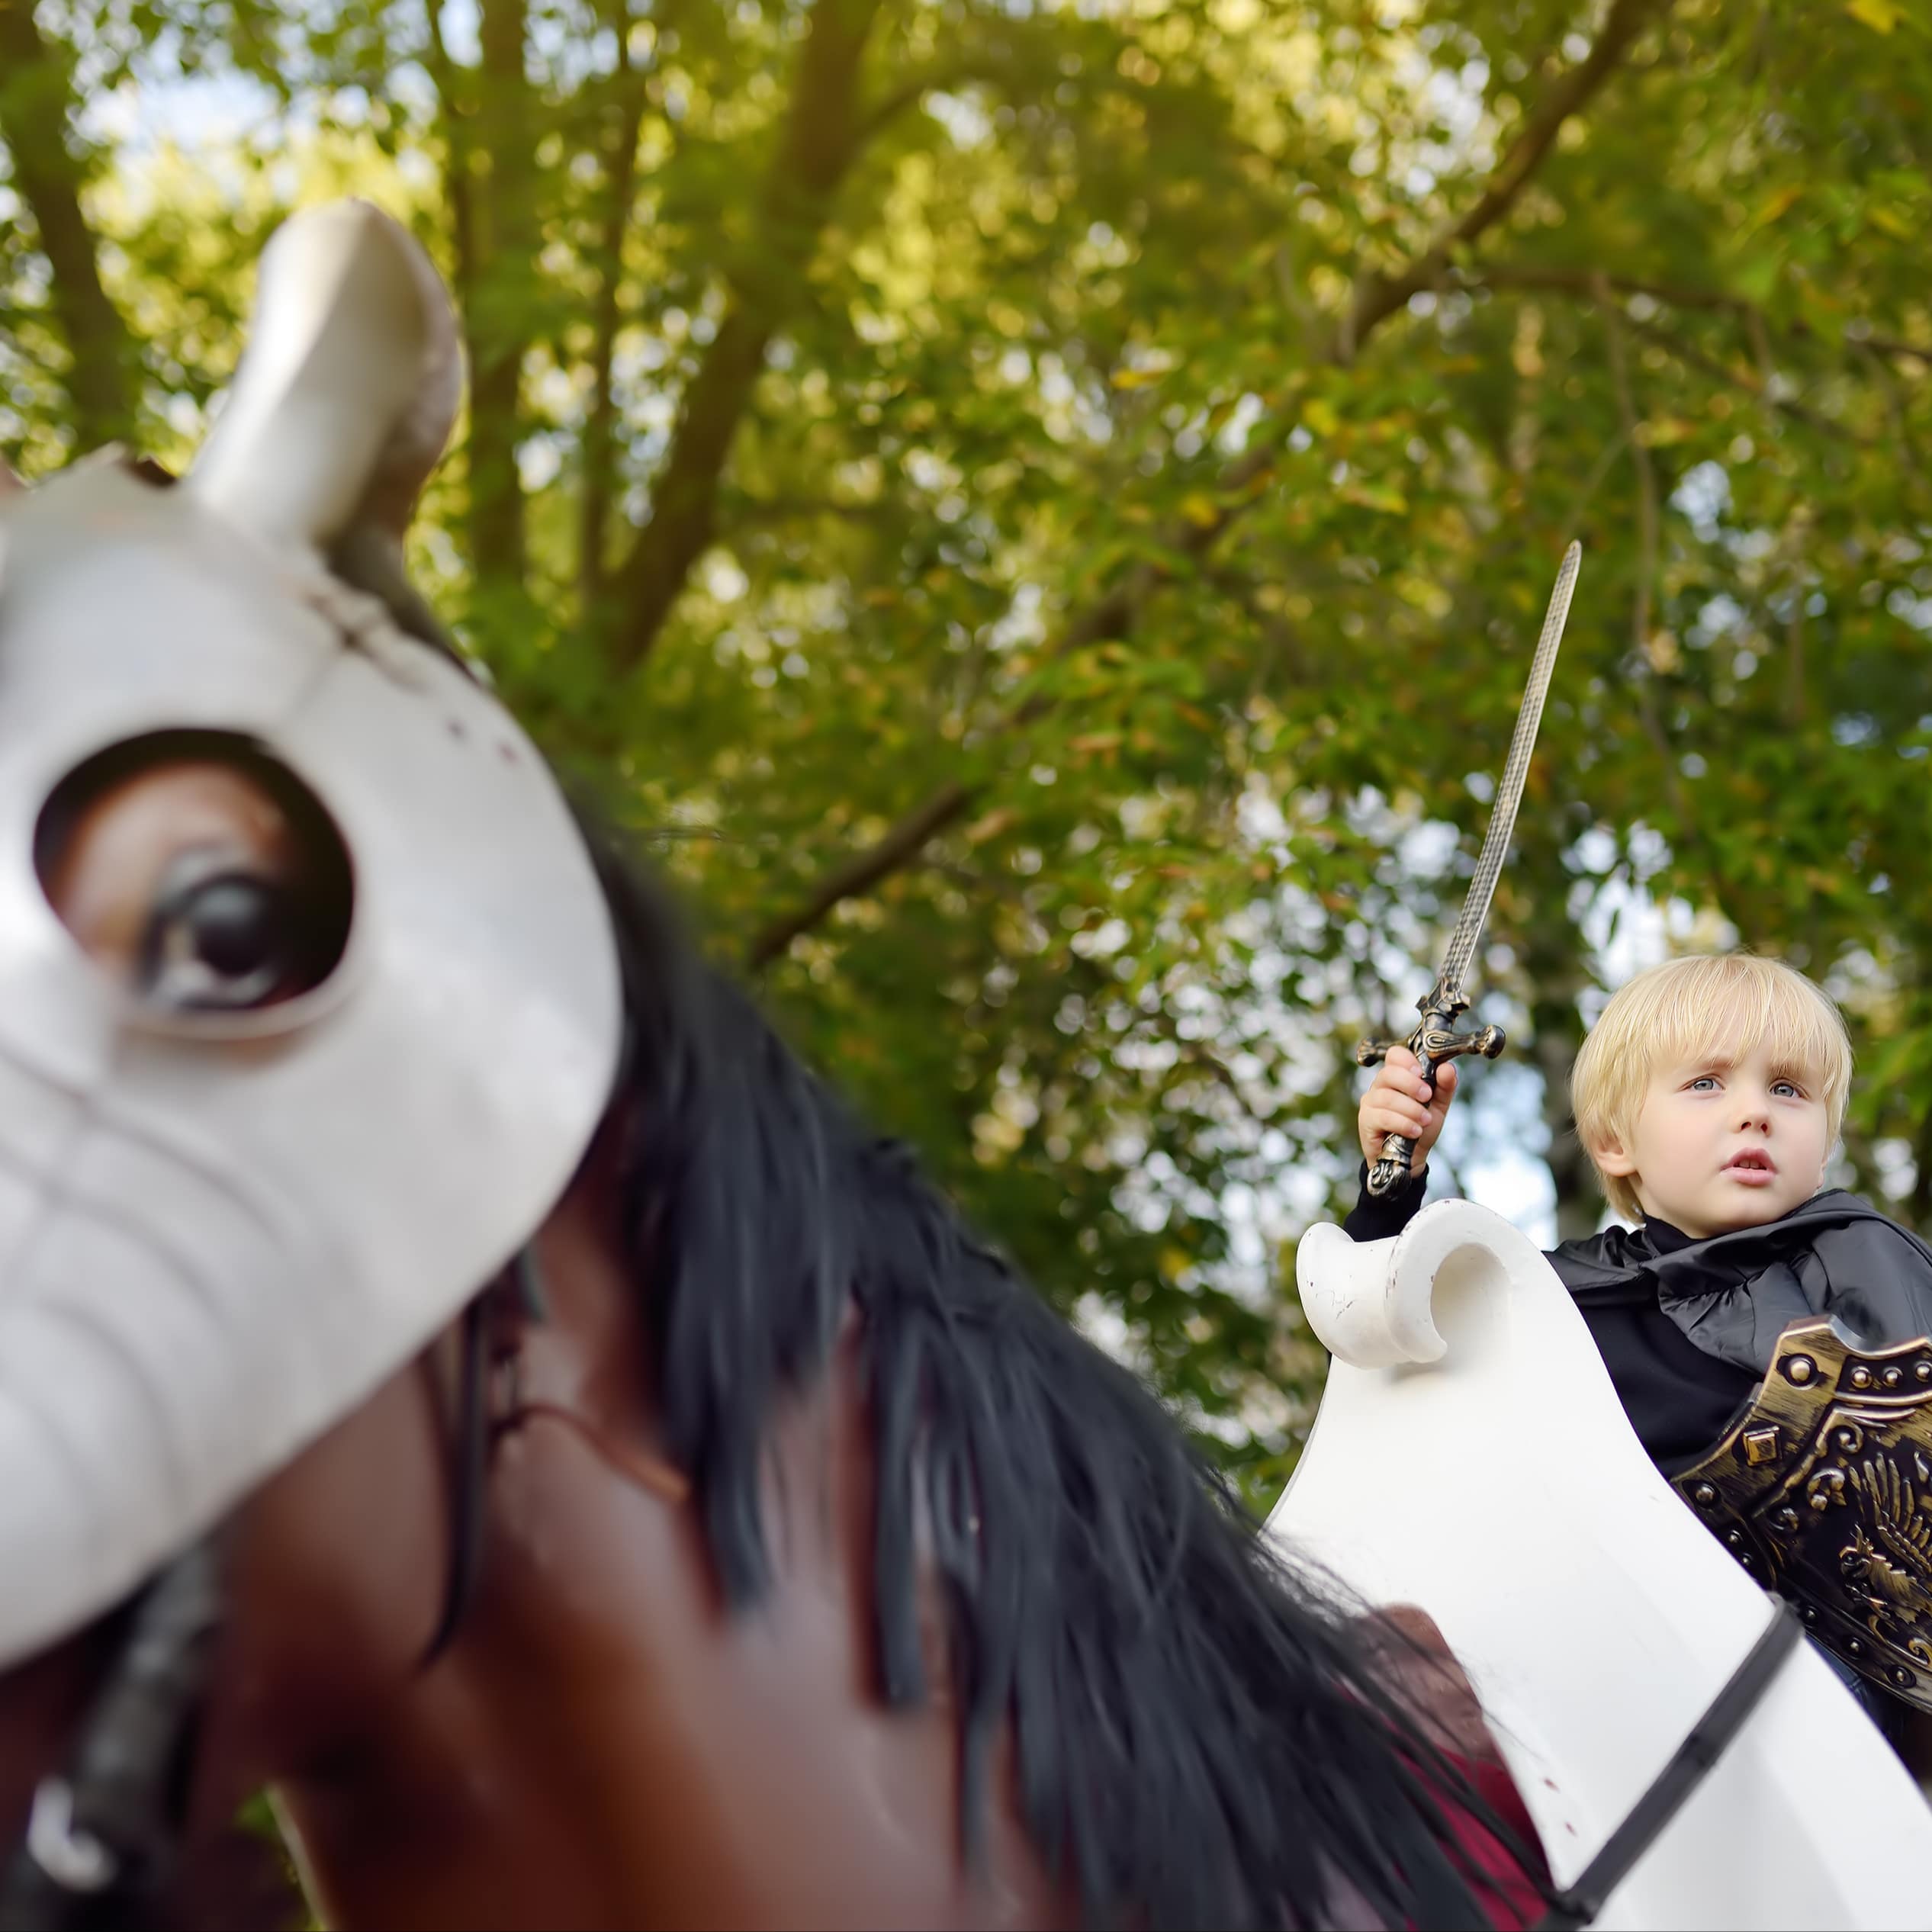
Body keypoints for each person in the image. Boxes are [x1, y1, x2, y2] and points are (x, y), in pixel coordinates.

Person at [1343, 950, 1932, 1737]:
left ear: (1822, 1141)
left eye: (1788, 1089)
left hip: (1834, 1693)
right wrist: (1392, 1188)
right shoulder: (1553, 1302)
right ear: (1614, 1141)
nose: (1754, 1111)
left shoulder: (1870, 1261)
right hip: (1597, 1667)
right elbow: (1395, 1360)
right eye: (1705, 1083)